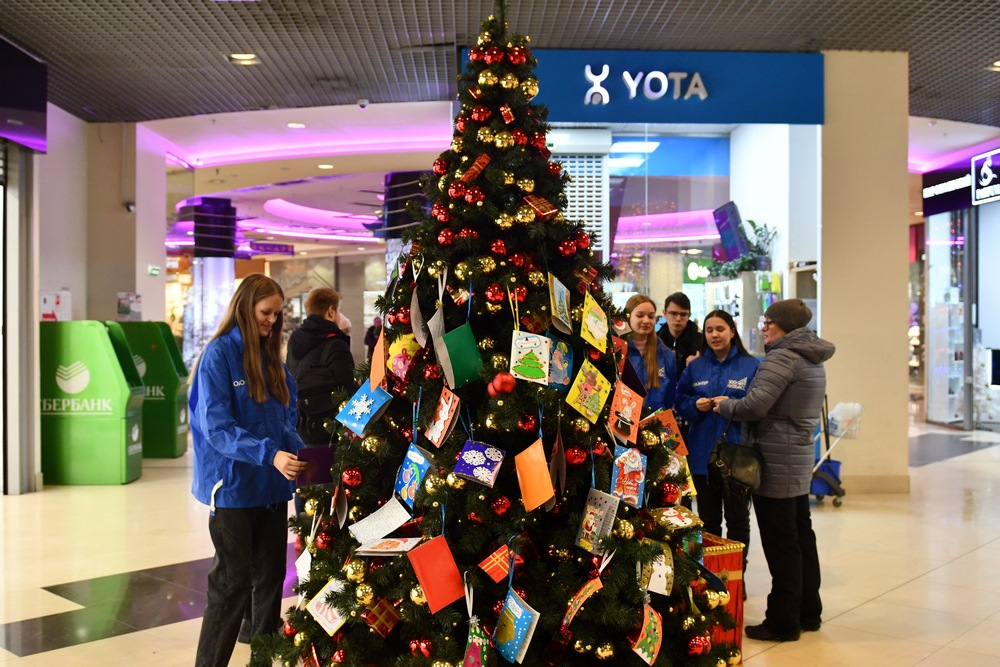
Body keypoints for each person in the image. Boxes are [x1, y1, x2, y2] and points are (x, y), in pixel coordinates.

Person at [189, 274, 307, 667]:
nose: (272, 321)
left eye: (277, 314)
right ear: (244, 306)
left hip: (271, 492)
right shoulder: (218, 355)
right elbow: (217, 429)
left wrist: (308, 458)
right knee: (231, 585)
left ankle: (263, 660)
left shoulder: (273, 358)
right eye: (265, 312)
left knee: (271, 580)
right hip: (233, 489)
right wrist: (269, 454)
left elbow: (286, 421)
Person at [714, 298, 834, 643]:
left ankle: (783, 621)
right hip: (797, 457)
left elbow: (754, 406)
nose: (764, 327)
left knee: (782, 544)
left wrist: (725, 405)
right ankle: (809, 612)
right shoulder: (812, 357)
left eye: (769, 322)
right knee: (801, 537)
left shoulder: (781, 357)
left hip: (775, 459)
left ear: (786, 327)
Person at [676, 309, 759, 570]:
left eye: (720, 329)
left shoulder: (751, 365)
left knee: (737, 521)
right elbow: (680, 402)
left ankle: (735, 576)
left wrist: (732, 404)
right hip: (701, 457)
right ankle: (709, 576)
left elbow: (757, 407)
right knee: (708, 521)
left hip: (737, 457)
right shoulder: (696, 367)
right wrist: (694, 405)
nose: (714, 335)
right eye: (709, 330)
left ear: (732, 331)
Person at [286, 287, 356, 445]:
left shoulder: (295, 341)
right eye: (339, 310)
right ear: (331, 311)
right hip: (332, 433)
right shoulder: (336, 344)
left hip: (302, 429)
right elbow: (349, 389)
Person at [625, 294, 678, 413]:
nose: (646, 320)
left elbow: (669, 398)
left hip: (655, 425)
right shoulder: (618, 352)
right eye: (640, 315)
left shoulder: (666, 355)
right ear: (628, 317)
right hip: (623, 421)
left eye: (651, 316)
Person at [657, 292, 701, 375]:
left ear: (689, 315)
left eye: (683, 314)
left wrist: (702, 362)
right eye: (673, 313)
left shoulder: (701, 342)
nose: (678, 318)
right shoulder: (656, 341)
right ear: (664, 313)